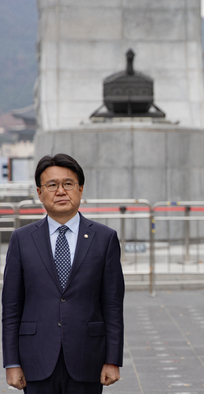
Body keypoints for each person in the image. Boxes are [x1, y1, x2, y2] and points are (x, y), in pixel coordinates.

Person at [2, 153, 125, 393]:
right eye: (52, 185)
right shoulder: (22, 239)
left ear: (80, 189)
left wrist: (112, 359)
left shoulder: (104, 239)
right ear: (39, 193)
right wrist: (12, 362)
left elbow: (112, 305)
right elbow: (11, 307)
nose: (61, 191)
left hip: (87, 358)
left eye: (68, 184)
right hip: (35, 359)